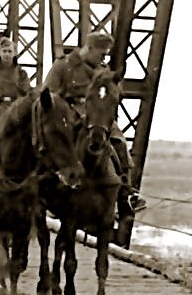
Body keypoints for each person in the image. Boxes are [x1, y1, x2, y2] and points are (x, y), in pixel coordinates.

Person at [43, 30, 145, 217]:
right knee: (53, 144)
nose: (103, 58)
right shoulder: (63, 66)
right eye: (102, 53)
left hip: (96, 117)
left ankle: (126, 193)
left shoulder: (102, 71)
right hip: (69, 116)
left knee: (118, 141)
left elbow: (114, 92)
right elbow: (47, 96)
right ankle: (43, 189)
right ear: (89, 48)